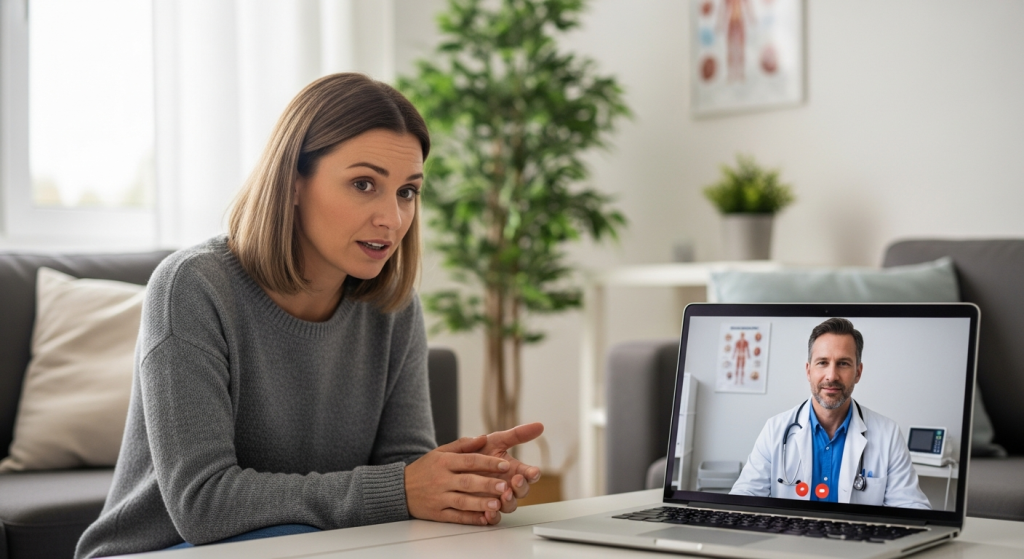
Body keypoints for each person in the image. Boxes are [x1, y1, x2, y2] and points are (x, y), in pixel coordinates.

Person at [75, 73, 544, 559]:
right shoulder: (192, 286)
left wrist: (459, 483)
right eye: (364, 184)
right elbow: (202, 503)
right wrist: (399, 488)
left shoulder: (394, 309)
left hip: (315, 545)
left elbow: (402, 471)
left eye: (407, 191)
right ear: (294, 182)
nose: (392, 218)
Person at [730, 318, 929, 509]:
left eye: (843, 363)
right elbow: (743, 498)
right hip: (790, 539)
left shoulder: (888, 434)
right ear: (808, 371)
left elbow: (911, 507)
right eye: (822, 362)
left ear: (858, 372)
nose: (832, 376)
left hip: (857, 541)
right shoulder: (775, 429)